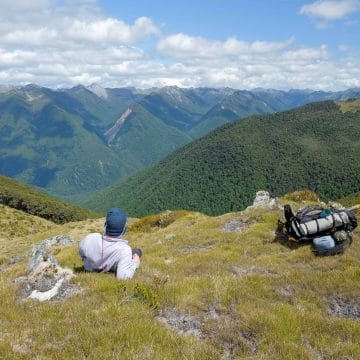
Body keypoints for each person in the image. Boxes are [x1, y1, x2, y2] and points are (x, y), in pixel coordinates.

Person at [79, 208, 141, 279]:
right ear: (124, 229)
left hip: (89, 268)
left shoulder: (89, 238)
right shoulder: (125, 250)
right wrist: (135, 262)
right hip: (116, 262)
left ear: (105, 225)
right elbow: (123, 277)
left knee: (135, 251)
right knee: (137, 251)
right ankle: (136, 253)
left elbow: (81, 253)